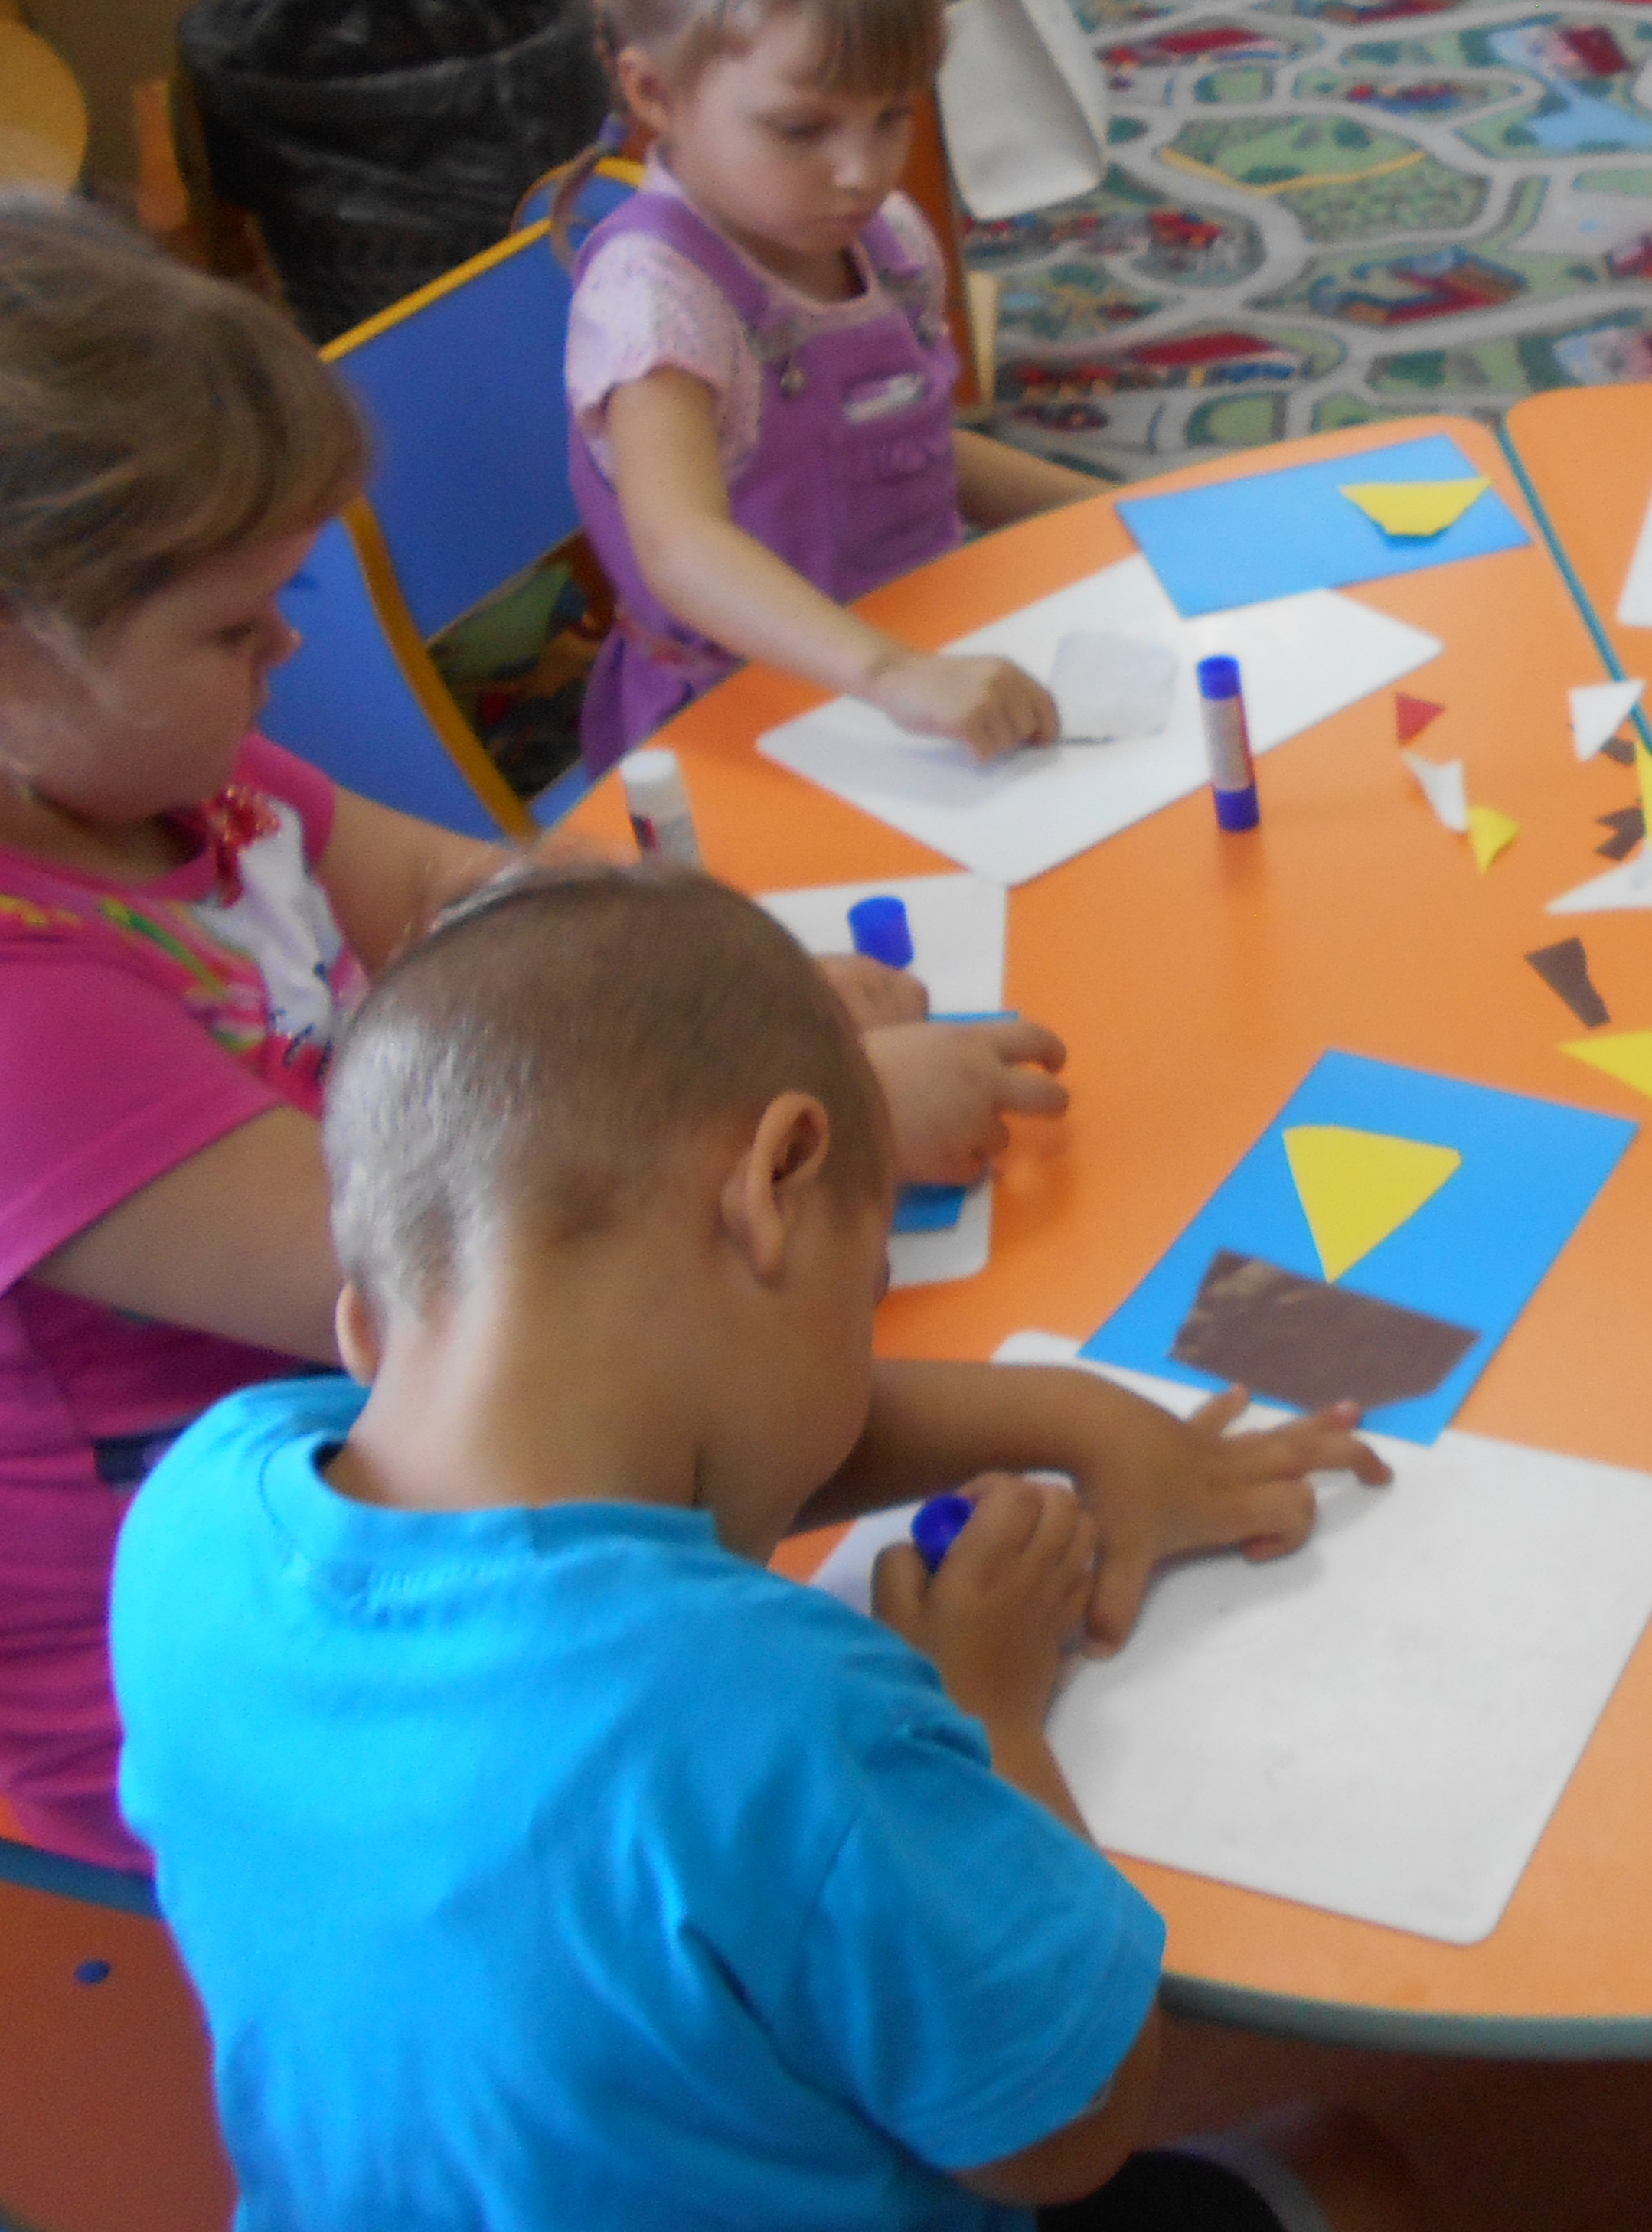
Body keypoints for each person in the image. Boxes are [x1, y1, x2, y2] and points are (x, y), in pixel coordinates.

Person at [0, 197, 1065, 1869]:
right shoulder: (25, 1014)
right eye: (231, 627)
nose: (289, 649)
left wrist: (736, 991)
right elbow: (482, 1286)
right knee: (823, 1774)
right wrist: (839, 1097)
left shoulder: (160, 777)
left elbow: (455, 891)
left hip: (417, 1463)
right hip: (263, 1682)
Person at [113, 866, 1411, 2231]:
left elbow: (609, 1477)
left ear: (363, 1327)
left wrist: (1077, 1419)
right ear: (777, 1179)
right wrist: (986, 1707)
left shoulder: (199, 1512)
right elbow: (1071, 2124)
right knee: (1352, 2169)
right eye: (869, 1296)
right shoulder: (779, 1715)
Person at [555, 0, 1112, 779]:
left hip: (928, 664)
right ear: (654, 91)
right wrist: (894, 675)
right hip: (747, 719)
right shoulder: (656, 302)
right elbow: (682, 548)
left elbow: (915, 444)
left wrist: (1124, 511)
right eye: (800, 129)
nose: (861, 171)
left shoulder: (883, 237)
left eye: (892, 115)